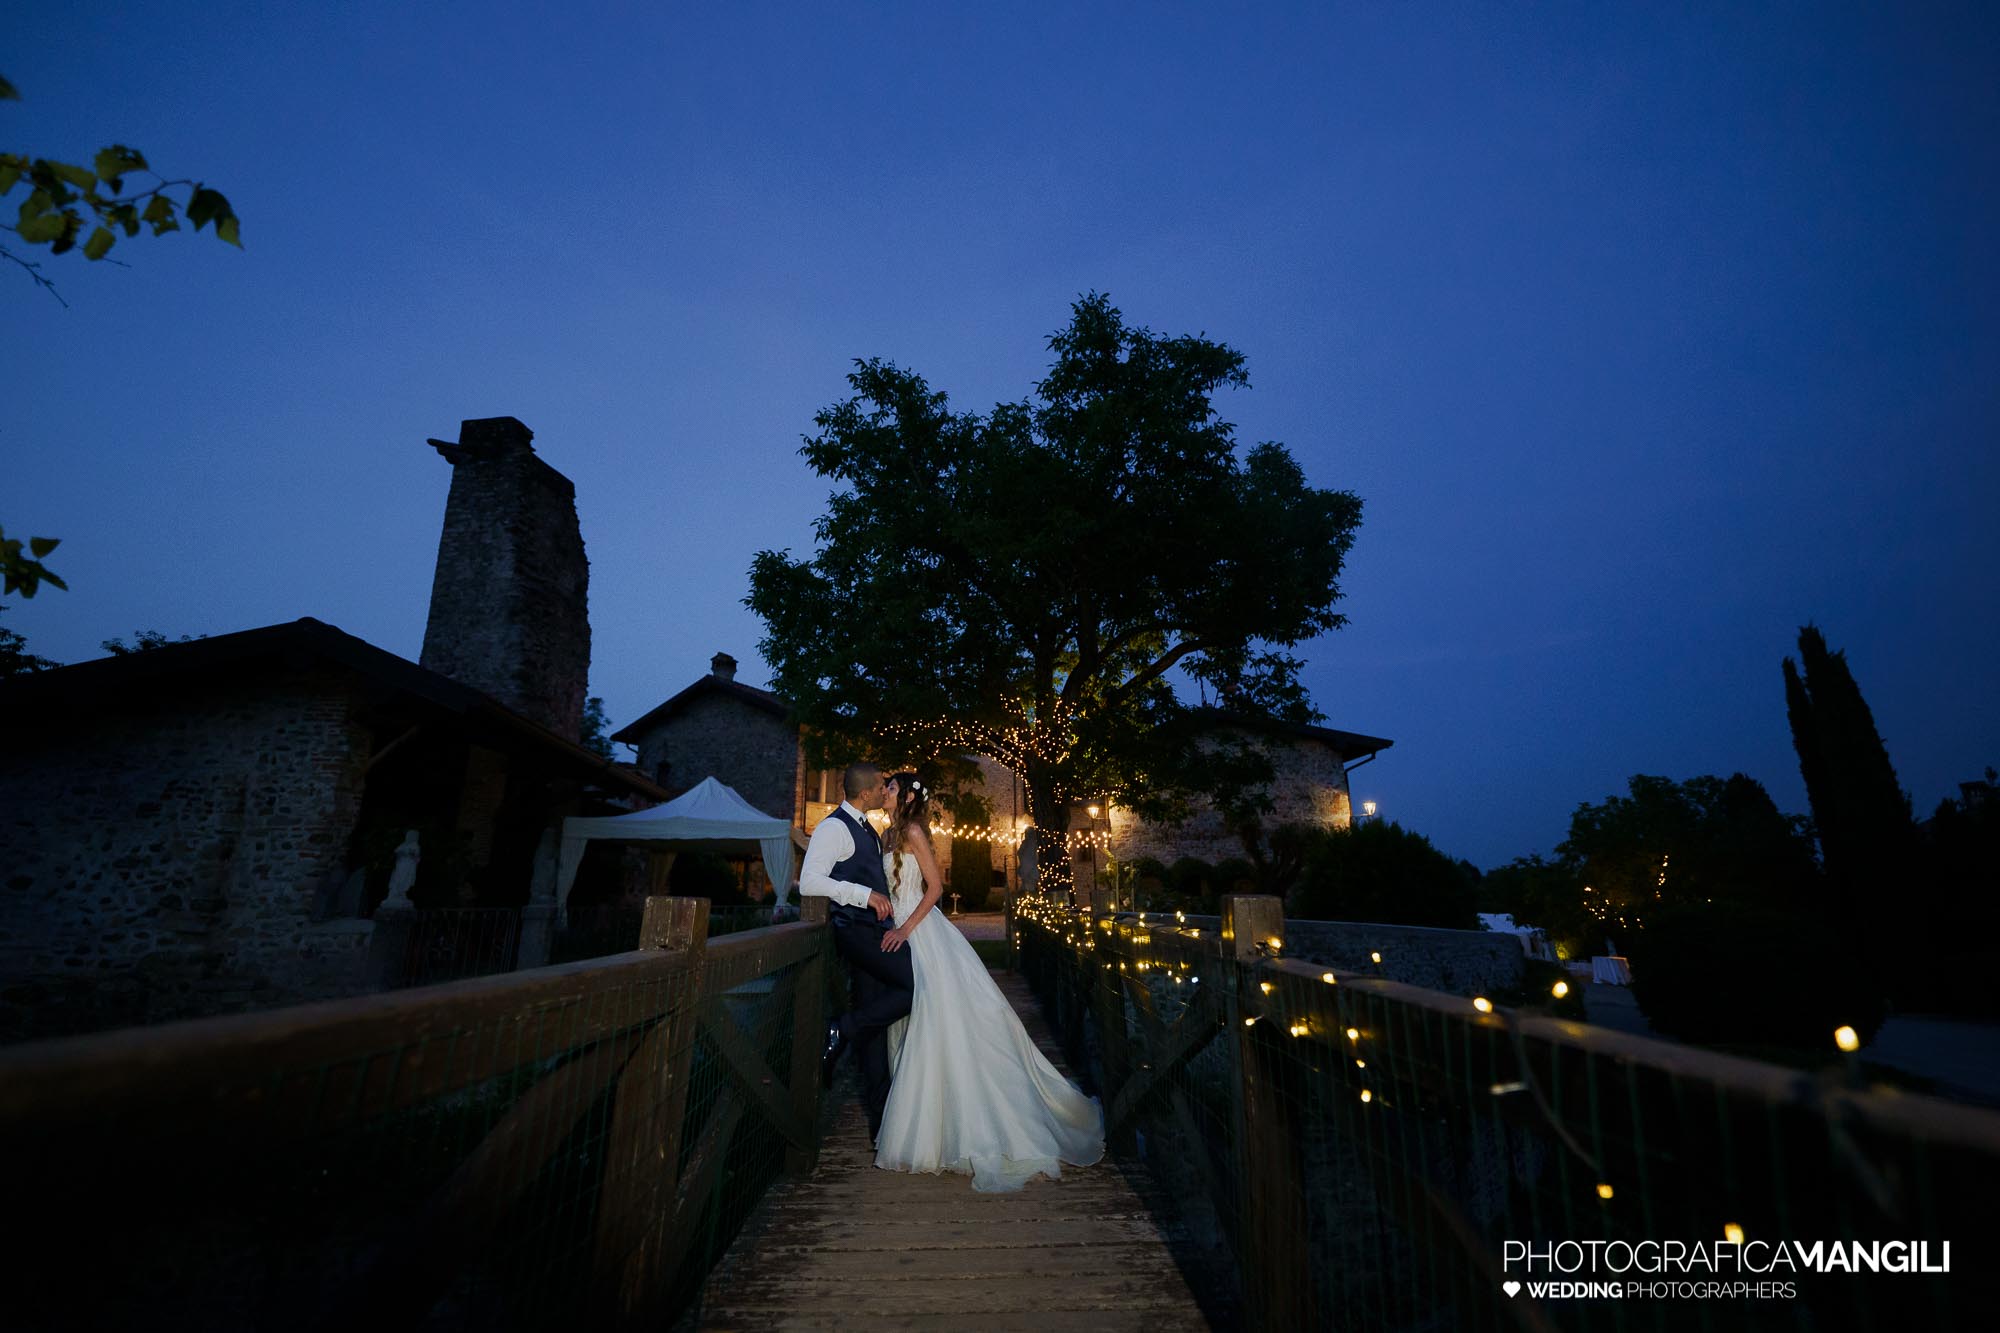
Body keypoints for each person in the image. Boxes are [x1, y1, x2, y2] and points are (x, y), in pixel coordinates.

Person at [871, 770, 1105, 1191]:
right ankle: (929, 1127)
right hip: (898, 931)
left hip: (922, 935)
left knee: (939, 1021)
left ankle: (966, 1130)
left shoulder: (914, 832)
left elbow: (936, 887)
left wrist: (906, 929)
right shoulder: (887, 835)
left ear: (905, 797)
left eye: (890, 787)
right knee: (915, 1022)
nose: (883, 791)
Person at [798, 761, 911, 1144]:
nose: (886, 790)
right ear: (865, 793)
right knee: (914, 986)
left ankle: (883, 1131)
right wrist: (863, 896)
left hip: (876, 933)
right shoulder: (833, 828)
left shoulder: (869, 829)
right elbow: (810, 882)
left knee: (874, 1030)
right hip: (855, 933)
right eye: (882, 785)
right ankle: (841, 1028)